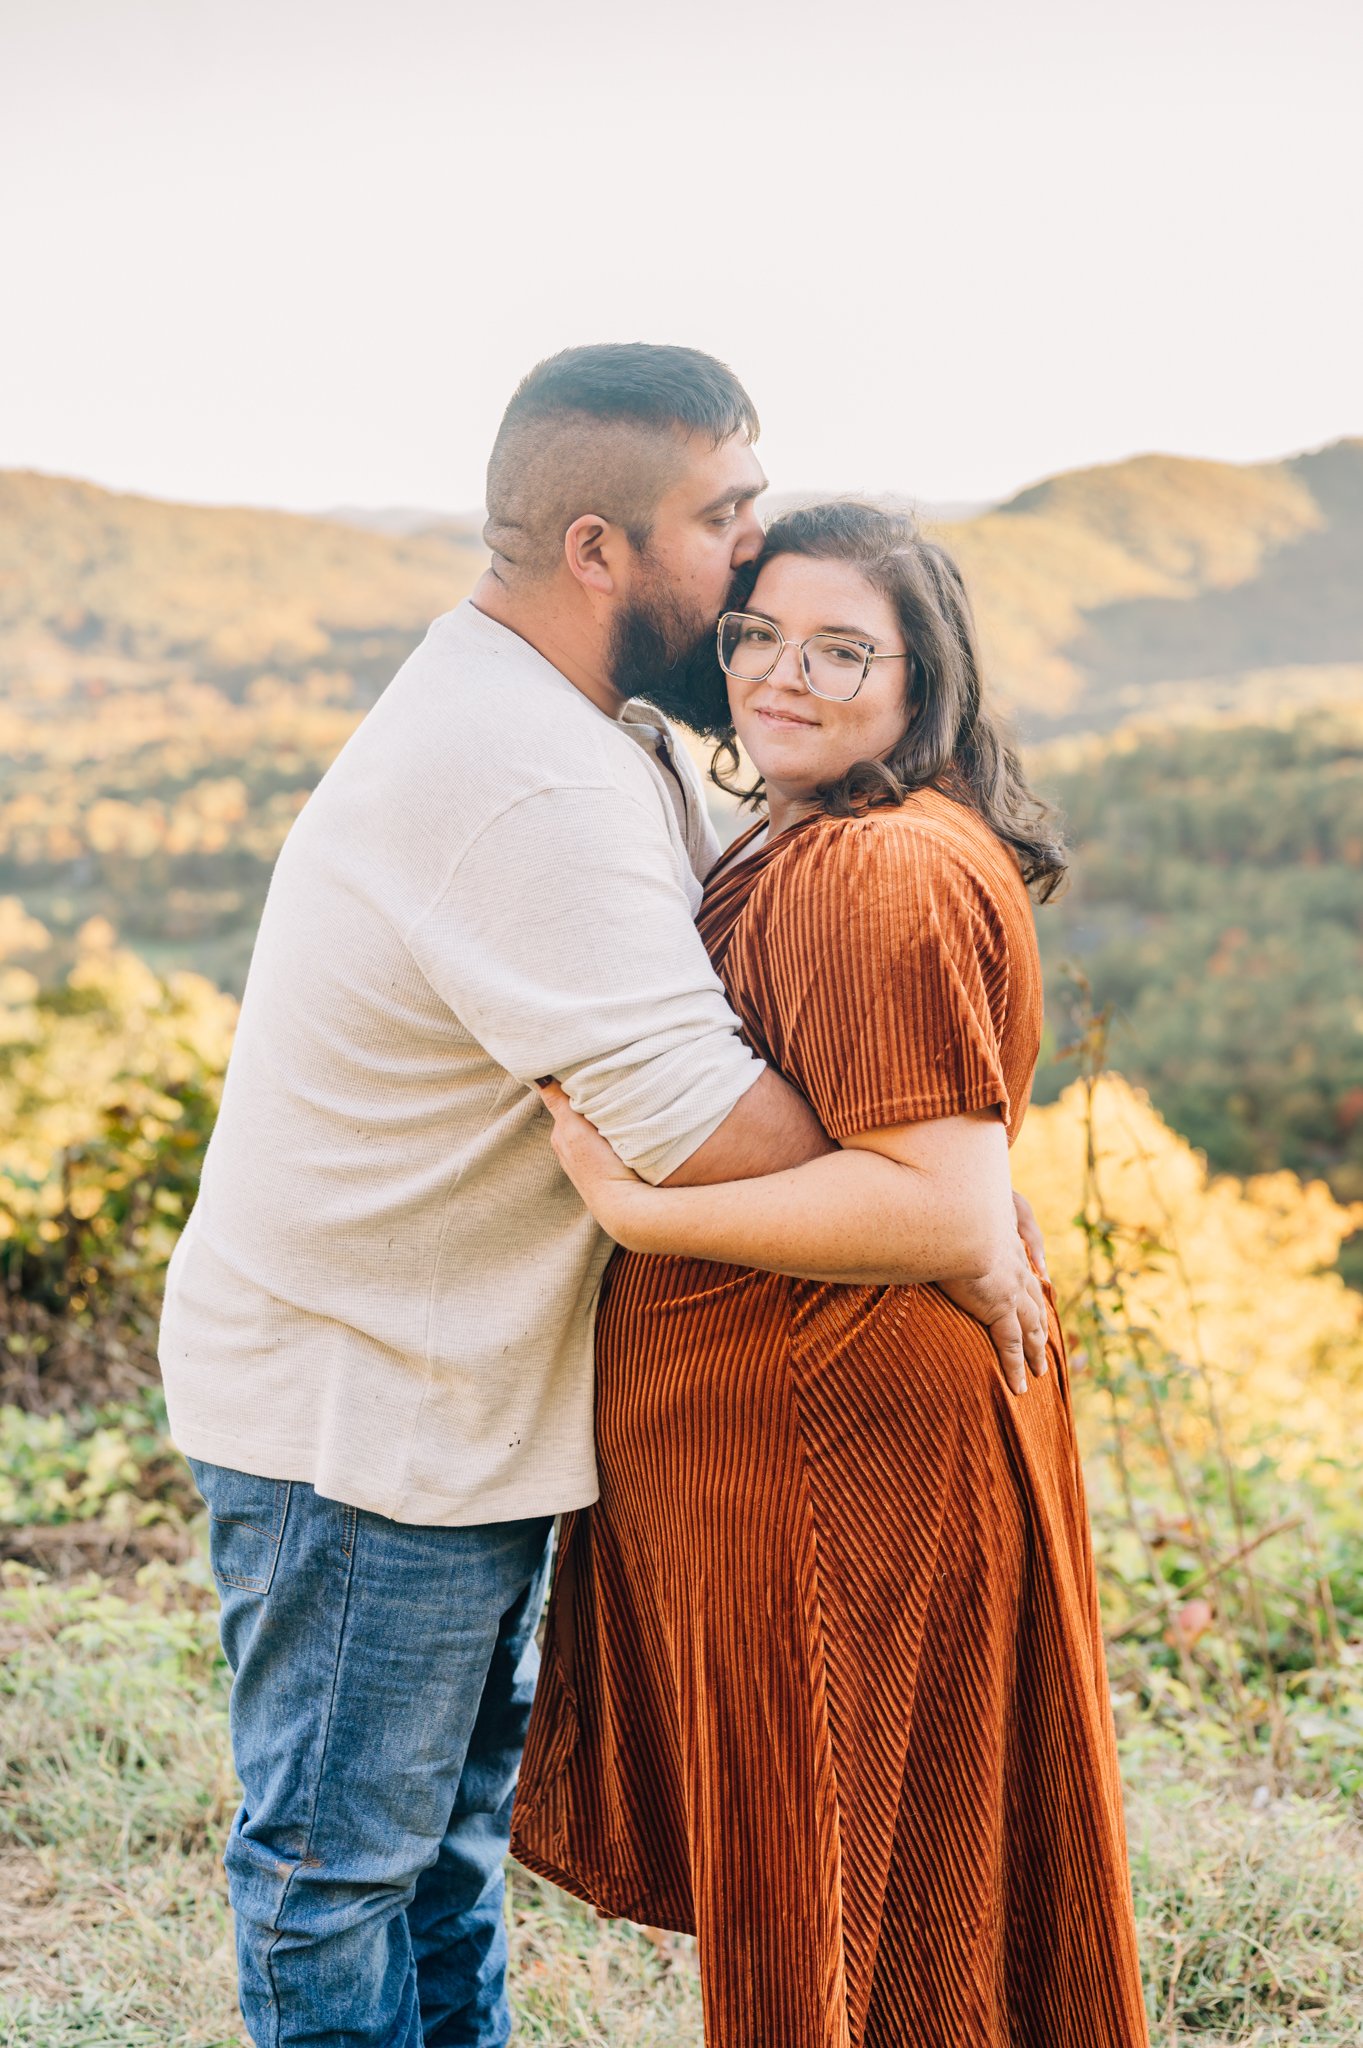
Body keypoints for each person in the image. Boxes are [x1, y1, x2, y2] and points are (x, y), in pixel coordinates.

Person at [159, 349, 1049, 2048]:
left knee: (440, 1857)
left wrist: (945, 1178)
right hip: (363, 1411)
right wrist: (945, 1200)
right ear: (597, 550)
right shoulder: (525, 777)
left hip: (456, 1387)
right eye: (723, 517)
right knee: (341, 1869)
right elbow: (712, 1129)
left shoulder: (590, 727)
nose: (754, 544)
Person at [513, 503, 1149, 2048]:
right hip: (823, 1435)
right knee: (892, 1881)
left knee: (850, 1901)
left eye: (841, 649)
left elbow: (933, 1209)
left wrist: (639, 1213)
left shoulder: (873, 871)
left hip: (830, 1456)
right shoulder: (843, 839)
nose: (782, 677)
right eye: (758, 635)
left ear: (923, 686)